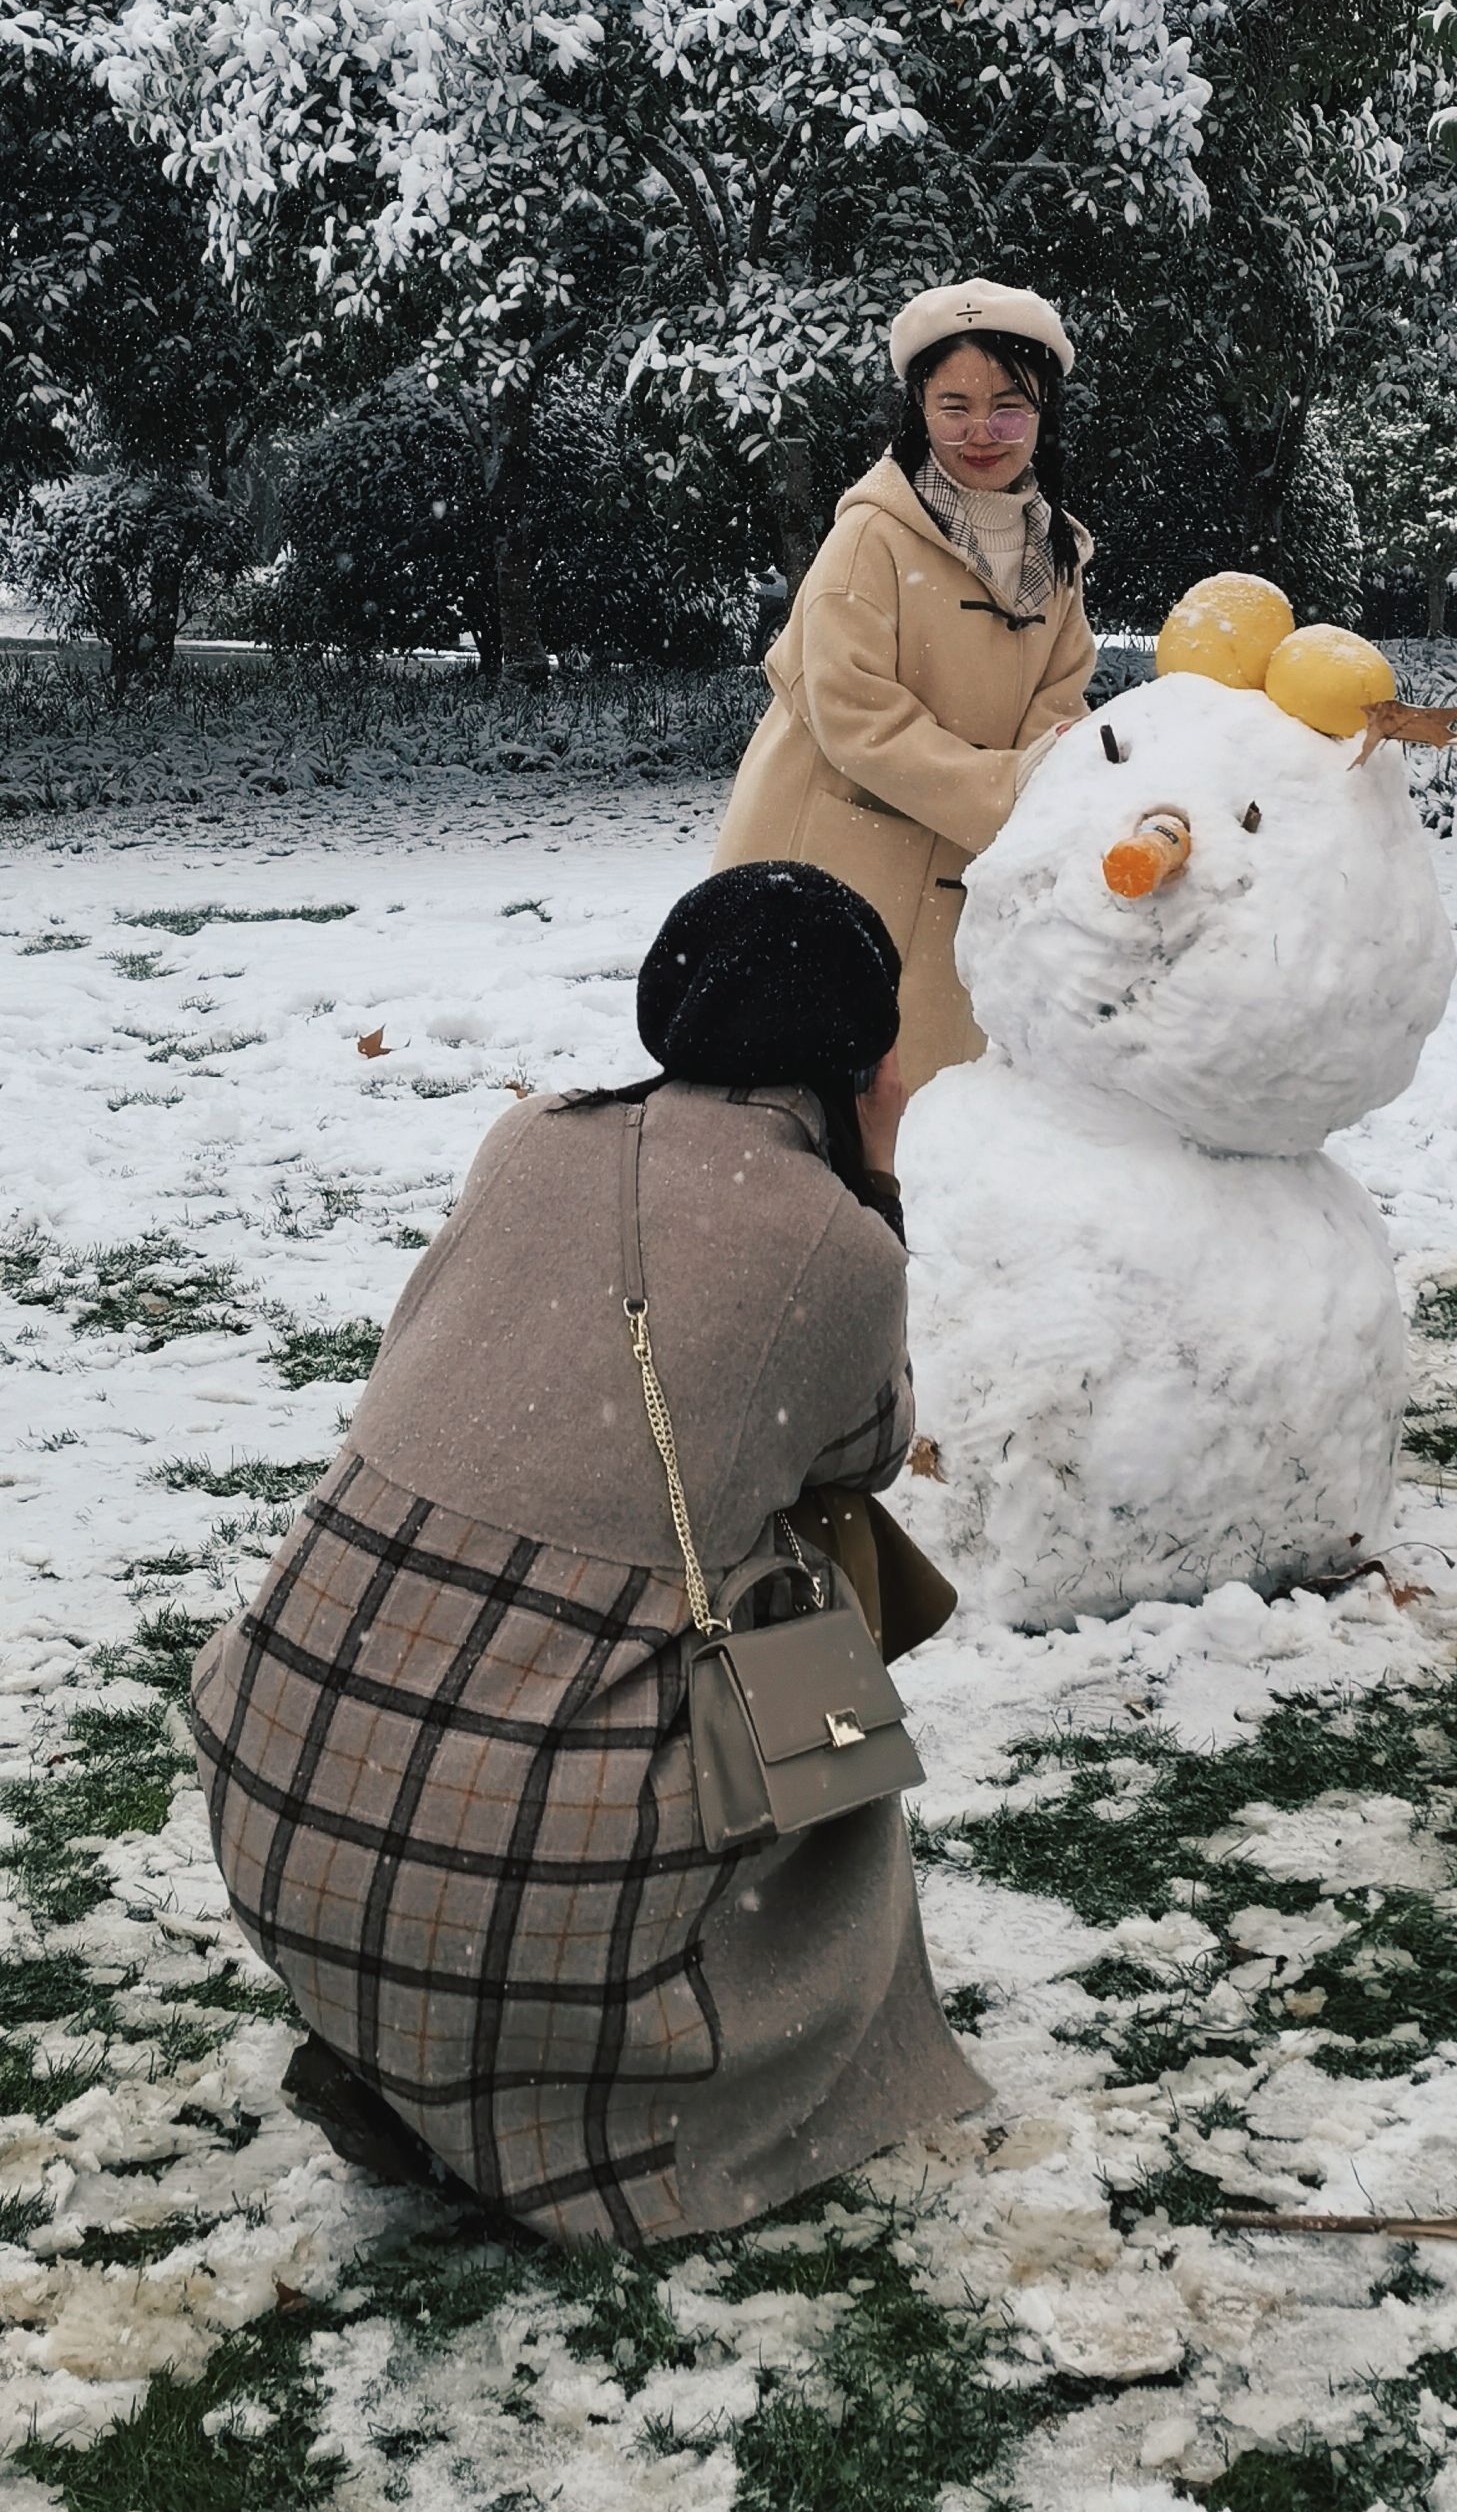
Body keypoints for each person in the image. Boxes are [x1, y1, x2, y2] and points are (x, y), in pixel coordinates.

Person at [187, 863, 987, 2249]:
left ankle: (424, 2053)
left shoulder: (531, 1138)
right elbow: (860, 1454)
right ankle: (648, 2071)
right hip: (510, 1892)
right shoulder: (837, 1247)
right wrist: (881, 1187)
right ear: (858, 1058)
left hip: (286, 1813)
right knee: (813, 1633)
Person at [713, 277, 1096, 1090]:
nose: (981, 432)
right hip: (825, 852)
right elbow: (851, 712)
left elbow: (1059, 699)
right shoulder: (871, 536)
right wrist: (1007, 785)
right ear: (917, 409)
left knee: (913, 1100)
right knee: (795, 1092)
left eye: (1009, 407)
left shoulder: (1053, 552)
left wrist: (1051, 772)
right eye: (953, 405)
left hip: (953, 862)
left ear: (1043, 414)